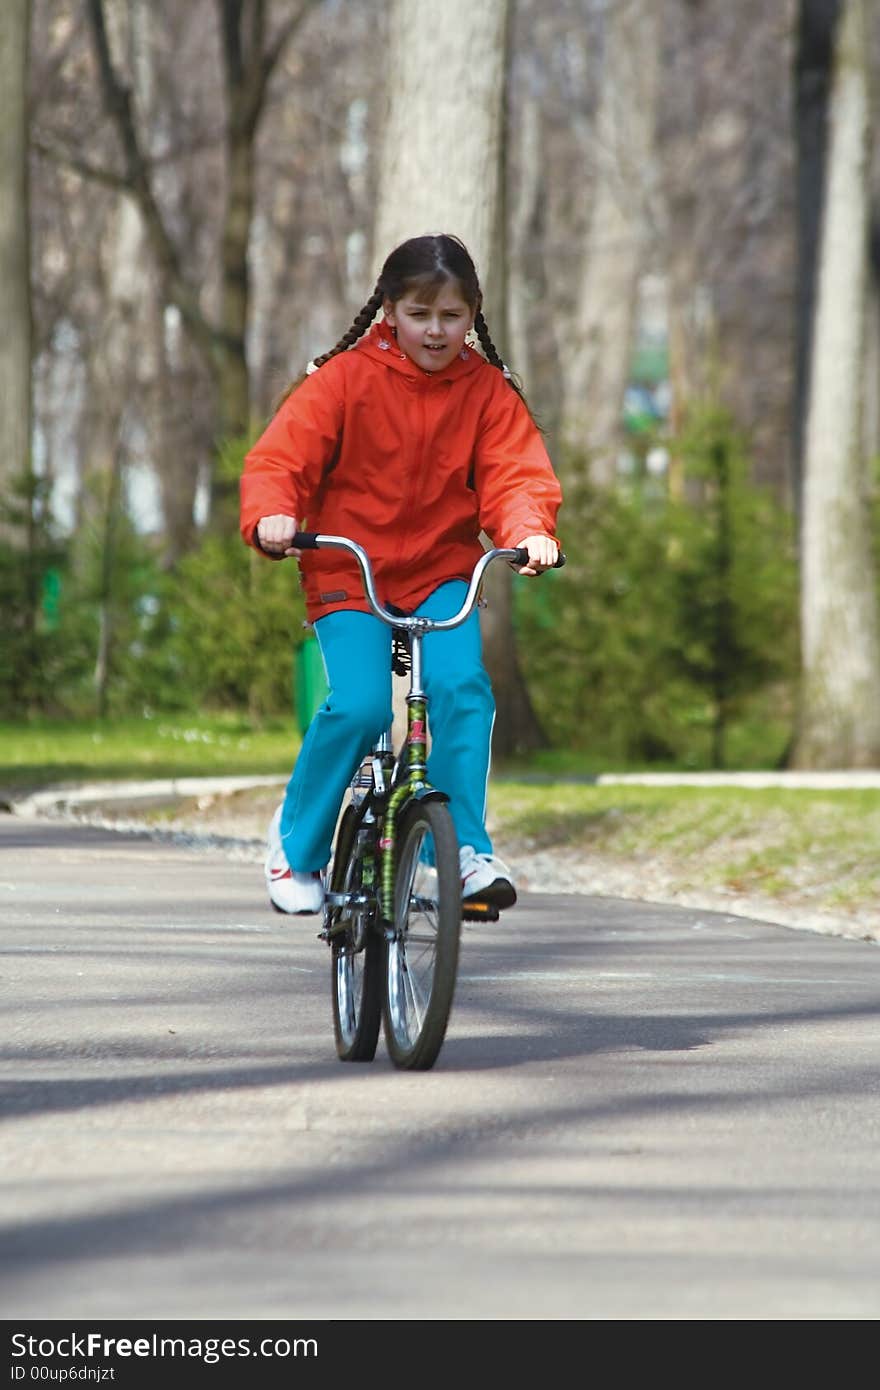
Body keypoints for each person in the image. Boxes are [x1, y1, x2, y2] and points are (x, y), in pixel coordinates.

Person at [240, 232, 562, 915]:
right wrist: (272, 515)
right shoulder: (344, 379)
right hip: (347, 569)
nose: (436, 331)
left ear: (473, 313)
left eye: (452, 316)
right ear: (389, 310)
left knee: (462, 689)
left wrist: (529, 529)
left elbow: (515, 475)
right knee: (358, 705)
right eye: (420, 314)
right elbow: (280, 460)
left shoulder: (486, 393)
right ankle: (296, 848)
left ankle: (464, 850)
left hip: (441, 570)